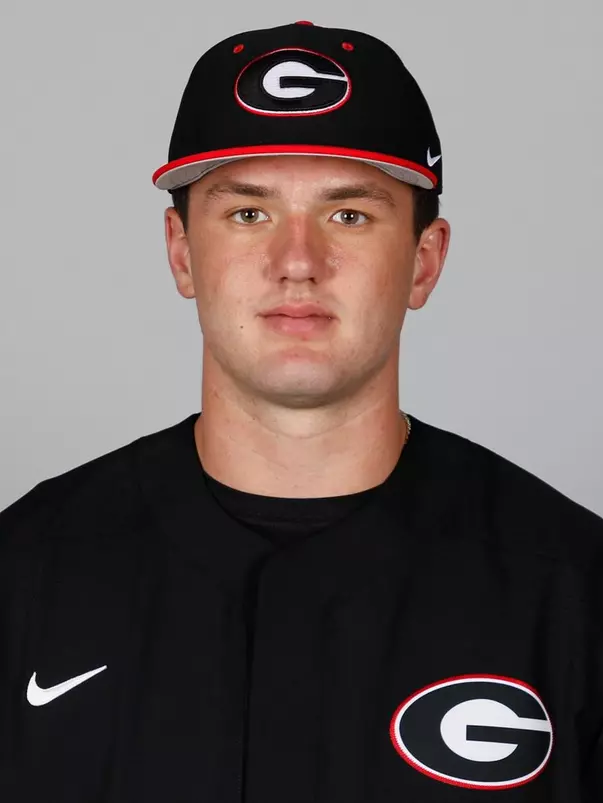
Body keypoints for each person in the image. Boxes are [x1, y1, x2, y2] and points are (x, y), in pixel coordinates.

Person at [1, 20, 602, 803]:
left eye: (347, 215)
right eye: (247, 214)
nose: (296, 262)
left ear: (423, 262)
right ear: (181, 252)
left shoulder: (572, 589)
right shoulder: (26, 572)